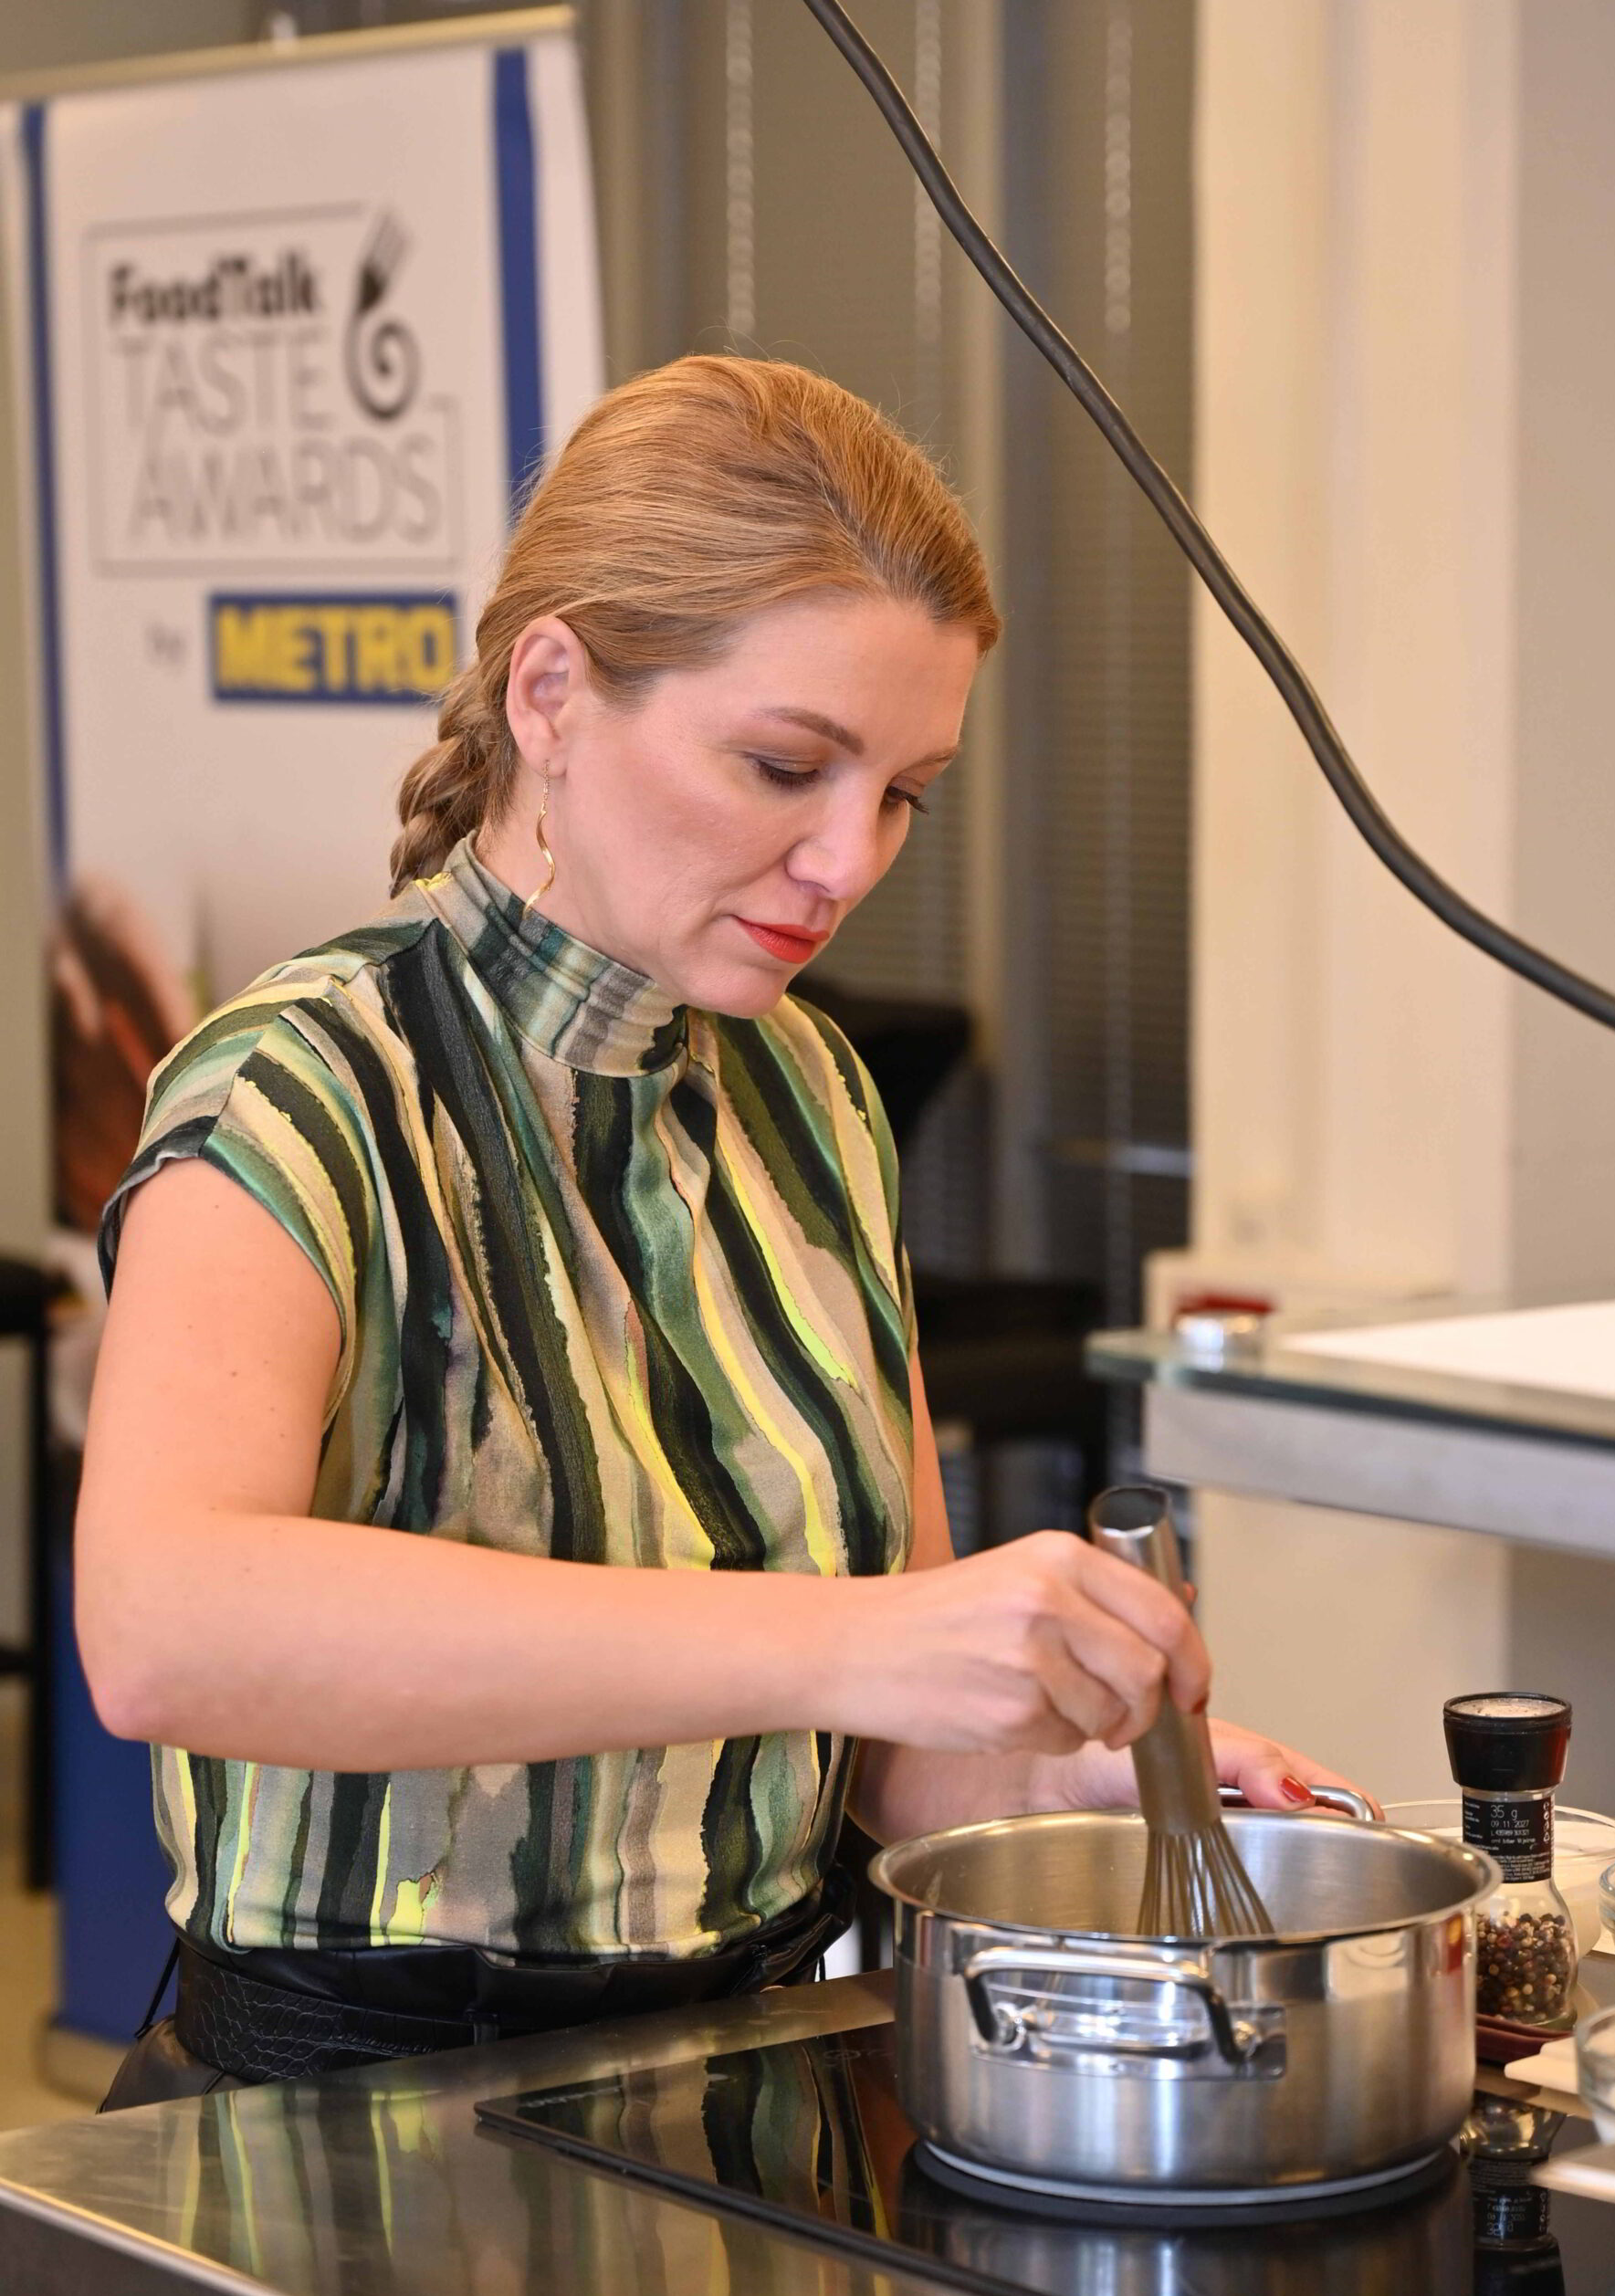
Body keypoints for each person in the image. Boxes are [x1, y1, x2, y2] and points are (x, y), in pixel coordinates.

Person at [77, 355, 1362, 2106]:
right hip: (360, 2130)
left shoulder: (810, 1095)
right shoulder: (301, 1091)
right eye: (784, 766)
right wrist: (860, 1640)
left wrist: (1052, 1777)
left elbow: (878, 1754)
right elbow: (165, 1623)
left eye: (902, 792)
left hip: (746, 2087)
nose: (848, 861)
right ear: (551, 693)